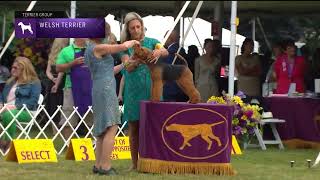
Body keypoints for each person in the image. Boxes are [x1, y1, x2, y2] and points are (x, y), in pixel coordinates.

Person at [120, 12, 168, 171]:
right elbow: (127, 67)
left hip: (152, 89)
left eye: (138, 27)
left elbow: (165, 51)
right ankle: (134, 165)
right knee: (133, 128)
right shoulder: (125, 47)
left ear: (142, 27)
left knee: (154, 127)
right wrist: (137, 59)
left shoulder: (153, 41)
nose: (136, 30)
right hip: (133, 91)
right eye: (132, 28)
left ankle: (154, 162)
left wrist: (158, 52)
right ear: (128, 30)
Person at [84, 38, 139, 175]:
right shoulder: (98, 48)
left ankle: (98, 165)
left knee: (102, 130)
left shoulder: (89, 50)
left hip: (98, 88)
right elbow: (123, 46)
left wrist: (123, 65)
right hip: (106, 90)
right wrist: (134, 42)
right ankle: (106, 167)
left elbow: (108, 71)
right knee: (112, 127)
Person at [0, 57, 41, 152]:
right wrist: (1, 103)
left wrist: (15, 106)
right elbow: (1, 95)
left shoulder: (35, 82)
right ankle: (1, 142)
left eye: (15, 68)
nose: (12, 70)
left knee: (9, 114)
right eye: (12, 67)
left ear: (24, 68)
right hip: (6, 109)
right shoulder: (10, 81)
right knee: (7, 113)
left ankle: (9, 143)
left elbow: (33, 102)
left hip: (26, 111)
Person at [55, 38, 93, 139]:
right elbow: (58, 68)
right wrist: (72, 63)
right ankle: (68, 147)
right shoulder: (66, 51)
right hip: (71, 87)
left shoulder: (93, 49)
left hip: (91, 87)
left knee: (92, 120)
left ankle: (92, 146)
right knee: (68, 119)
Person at [46, 38, 68, 134]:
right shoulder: (65, 54)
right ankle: (60, 128)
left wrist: (52, 79)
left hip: (52, 82)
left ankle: (54, 129)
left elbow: (47, 71)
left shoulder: (51, 56)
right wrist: (57, 82)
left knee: (52, 105)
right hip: (61, 82)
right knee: (60, 104)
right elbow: (61, 71)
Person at [162, 30, 188, 102]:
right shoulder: (181, 50)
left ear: (169, 38)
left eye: (165, 37)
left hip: (170, 88)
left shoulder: (171, 51)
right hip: (180, 88)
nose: (164, 40)